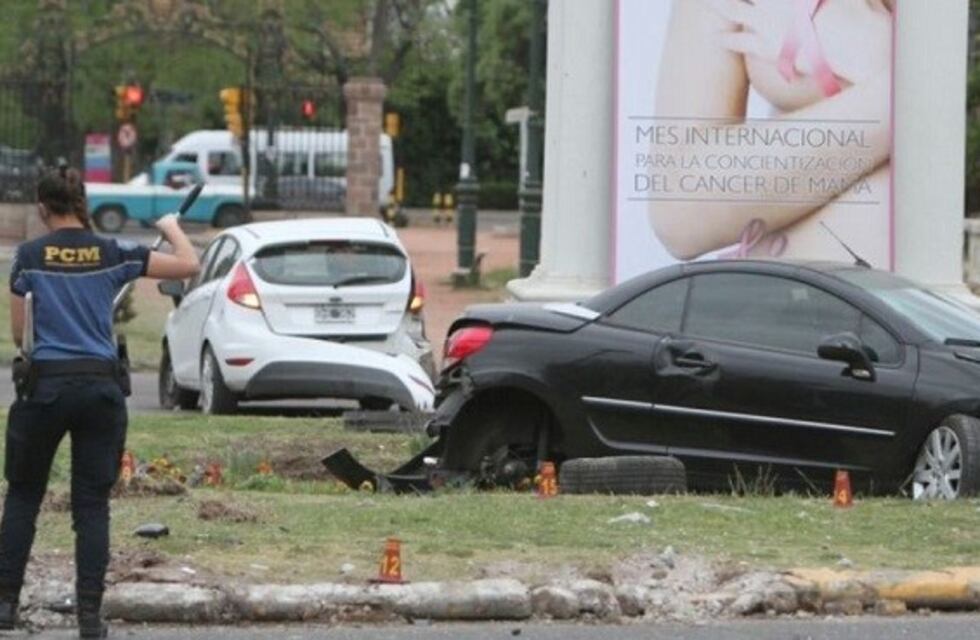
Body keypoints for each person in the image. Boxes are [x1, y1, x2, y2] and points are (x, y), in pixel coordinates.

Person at [0, 167, 200, 637]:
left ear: (43, 208)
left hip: (46, 387)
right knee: (91, 505)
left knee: (24, 495)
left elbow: (17, 334)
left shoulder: (28, 257)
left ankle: (5, 605)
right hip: (100, 390)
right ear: (81, 202)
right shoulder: (112, 253)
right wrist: (170, 228)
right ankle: (90, 616)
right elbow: (188, 264)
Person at [650, 0, 894, 261]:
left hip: (925, 297)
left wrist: (886, 60)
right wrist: (902, 88)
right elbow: (681, 211)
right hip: (771, 296)